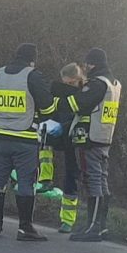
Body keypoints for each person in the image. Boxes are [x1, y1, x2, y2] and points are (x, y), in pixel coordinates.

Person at [0, 43, 57, 241]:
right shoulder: (32, 76)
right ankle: (25, 228)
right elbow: (48, 108)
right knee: (26, 182)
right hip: (24, 138)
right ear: (32, 59)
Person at [63, 48, 121, 242]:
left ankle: (93, 227)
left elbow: (77, 104)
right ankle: (101, 226)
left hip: (90, 137)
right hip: (105, 136)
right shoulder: (114, 83)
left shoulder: (97, 84)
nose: (85, 67)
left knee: (92, 180)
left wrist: (68, 93)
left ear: (92, 64)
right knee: (101, 180)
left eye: (87, 64)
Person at [48, 63, 85, 233]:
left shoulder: (87, 93)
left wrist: (63, 126)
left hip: (78, 138)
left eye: (71, 83)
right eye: (66, 83)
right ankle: (43, 182)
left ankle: (68, 221)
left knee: (72, 176)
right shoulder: (58, 91)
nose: (68, 87)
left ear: (78, 79)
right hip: (62, 134)